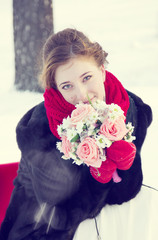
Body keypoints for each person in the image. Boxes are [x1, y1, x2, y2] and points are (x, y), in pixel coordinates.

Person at [0, 28, 154, 240]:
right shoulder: (38, 130)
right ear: (55, 88)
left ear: (102, 70)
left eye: (87, 77)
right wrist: (98, 166)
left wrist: (123, 158)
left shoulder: (129, 109)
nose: (81, 95)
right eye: (67, 86)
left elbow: (125, 192)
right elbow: (66, 209)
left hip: (102, 223)